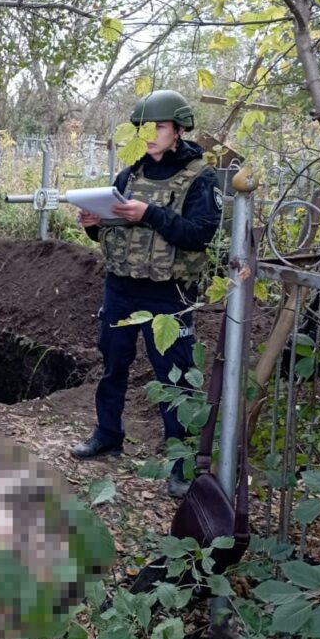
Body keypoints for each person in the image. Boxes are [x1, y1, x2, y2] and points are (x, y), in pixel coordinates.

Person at [71, 89, 222, 499]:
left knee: (174, 378)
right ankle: (107, 436)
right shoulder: (129, 175)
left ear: (178, 129)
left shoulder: (199, 177)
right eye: (144, 127)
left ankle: (181, 465)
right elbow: (108, 232)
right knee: (112, 366)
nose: (150, 134)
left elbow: (200, 235)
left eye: (158, 126)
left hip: (168, 295)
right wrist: (91, 223)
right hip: (120, 288)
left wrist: (150, 213)